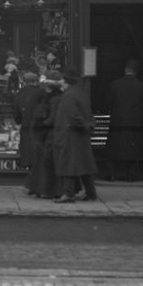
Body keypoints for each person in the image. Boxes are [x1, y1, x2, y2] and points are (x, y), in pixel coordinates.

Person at [52, 68, 99, 202]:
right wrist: (88, 127)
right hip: (81, 135)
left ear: (66, 81)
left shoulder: (68, 95)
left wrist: (82, 125)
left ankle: (68, 193)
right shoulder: (81, 93)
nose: (60, 81)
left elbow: (73, 116)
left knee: (68, 164)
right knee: (84, 164)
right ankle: (91, 192)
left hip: (70, 135)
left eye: (61, 79)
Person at [104, 59, 143, 182]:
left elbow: (108, 103)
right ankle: (131, 175)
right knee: (133, 149)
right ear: (136, 72)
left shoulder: (115, 85)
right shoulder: (142, 86)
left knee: (114, 147)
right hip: (135, 122)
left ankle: (112, 174)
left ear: (125, 70)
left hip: (117, 120)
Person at [11, 68, 49, 197]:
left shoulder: (19, 96)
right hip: (41, 130)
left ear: (24, 81)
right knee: (40, 160)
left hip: (27, 131)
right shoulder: (42, 93)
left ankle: (33, 186)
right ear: (36, 81)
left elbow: (17, 118)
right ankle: (37, 187)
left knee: (32, 161)